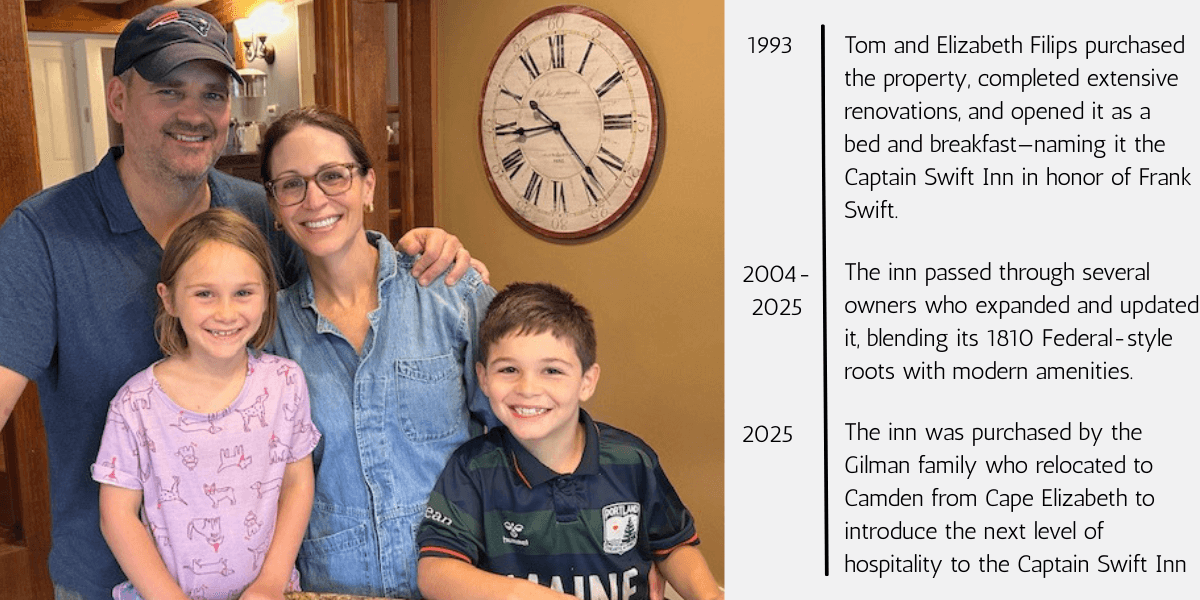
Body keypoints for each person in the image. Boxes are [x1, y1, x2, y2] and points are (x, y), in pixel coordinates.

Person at [0, 6, 474, 599]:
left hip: (264, 582)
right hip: (108, 580)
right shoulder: (41, 233)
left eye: (213, 93)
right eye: (169, 89)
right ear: (118, 99)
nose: (194, 114)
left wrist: (424, 252)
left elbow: (341, 274)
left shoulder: (263, 212)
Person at [260, 106, 496, 598]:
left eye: (333, 176)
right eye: (291, 184)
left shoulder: (448, 290)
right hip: (333, 587)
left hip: (460, 578)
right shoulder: (269, 332)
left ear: (368, 185)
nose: (315, 199)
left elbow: (525, 433)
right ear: (276, 206)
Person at [415, 282, 724, 600]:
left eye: (551, 370)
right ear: (483, 378)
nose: (528, 388)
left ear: (587, 382)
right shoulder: (472, 468)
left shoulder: (633, 459)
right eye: (509, 369)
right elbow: (437, 573)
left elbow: (673, 547)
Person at [91, 209, 318, 600]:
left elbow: (297, 484)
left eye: (243, 292)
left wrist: (270, 582)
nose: (226, 313)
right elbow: (117, 515)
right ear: (170, 299)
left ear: (267, 294)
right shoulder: (136, 405)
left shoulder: (285, 383)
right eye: (204, 294)